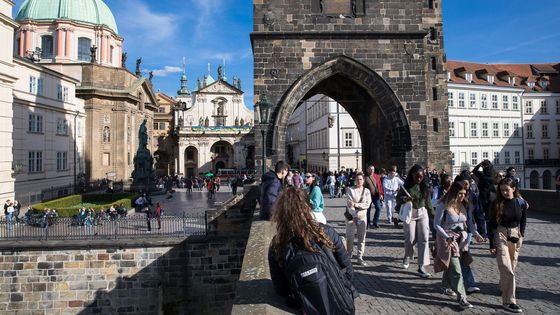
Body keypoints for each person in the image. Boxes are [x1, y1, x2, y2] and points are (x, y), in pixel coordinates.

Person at [268, 187, 356, 313]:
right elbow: (348, 271)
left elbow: (281, 290)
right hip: (341, 305)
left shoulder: (277, 244)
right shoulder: (326, 232)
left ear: (281, 213)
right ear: (308, 208)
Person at [434, 182, 485, 309]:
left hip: (460, 239)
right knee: (456, 268)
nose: (462, 196)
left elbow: (470, 223)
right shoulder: (443, 205)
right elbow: (436, 224)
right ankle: (462, 297)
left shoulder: (465, 205)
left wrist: (476, 234)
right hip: (447, 239)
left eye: (464, 194)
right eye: (460, 194)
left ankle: (445, 286)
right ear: (453, 193)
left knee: (451, 264)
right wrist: (447, 237)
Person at [488, 177, 528, 313]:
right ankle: (509, 301)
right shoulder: (496, 203)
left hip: (516, 235)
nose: (504, 192)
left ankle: (503, 286)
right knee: (507, 268)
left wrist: (521, 232)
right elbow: (491, 224)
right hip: (501, 234)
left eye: (507, 190)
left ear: (514, 189)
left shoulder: (520, 202)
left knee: (512, 264)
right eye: (502, 190)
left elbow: (523, 218)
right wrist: (491, 244)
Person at [396, 164, 433, 278]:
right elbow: (398, 199)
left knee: (424, 238)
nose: (418, 179)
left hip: (422, 212)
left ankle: (421, 265)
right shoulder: (406, 186)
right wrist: (405, 199)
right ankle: (407, 255)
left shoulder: (425, 185)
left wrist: (433, 214)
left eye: (420, 177)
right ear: (412, 175)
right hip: (410, 213)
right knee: (410, 238)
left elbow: (428, 202)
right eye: (416, 176)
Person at [346, 172, 372, 266]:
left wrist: (356, 204)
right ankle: (349, 254)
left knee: (362, 238)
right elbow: (349, 205)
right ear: (355, 180)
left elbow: (367, 204)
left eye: (361, 179)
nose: (359, 181)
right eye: (357, 179)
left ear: (363, 180)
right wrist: (354, 216)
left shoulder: (367, 191)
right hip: (351, 216)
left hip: (362, 216)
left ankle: (360, 257)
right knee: (350, 237)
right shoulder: (350, 190)